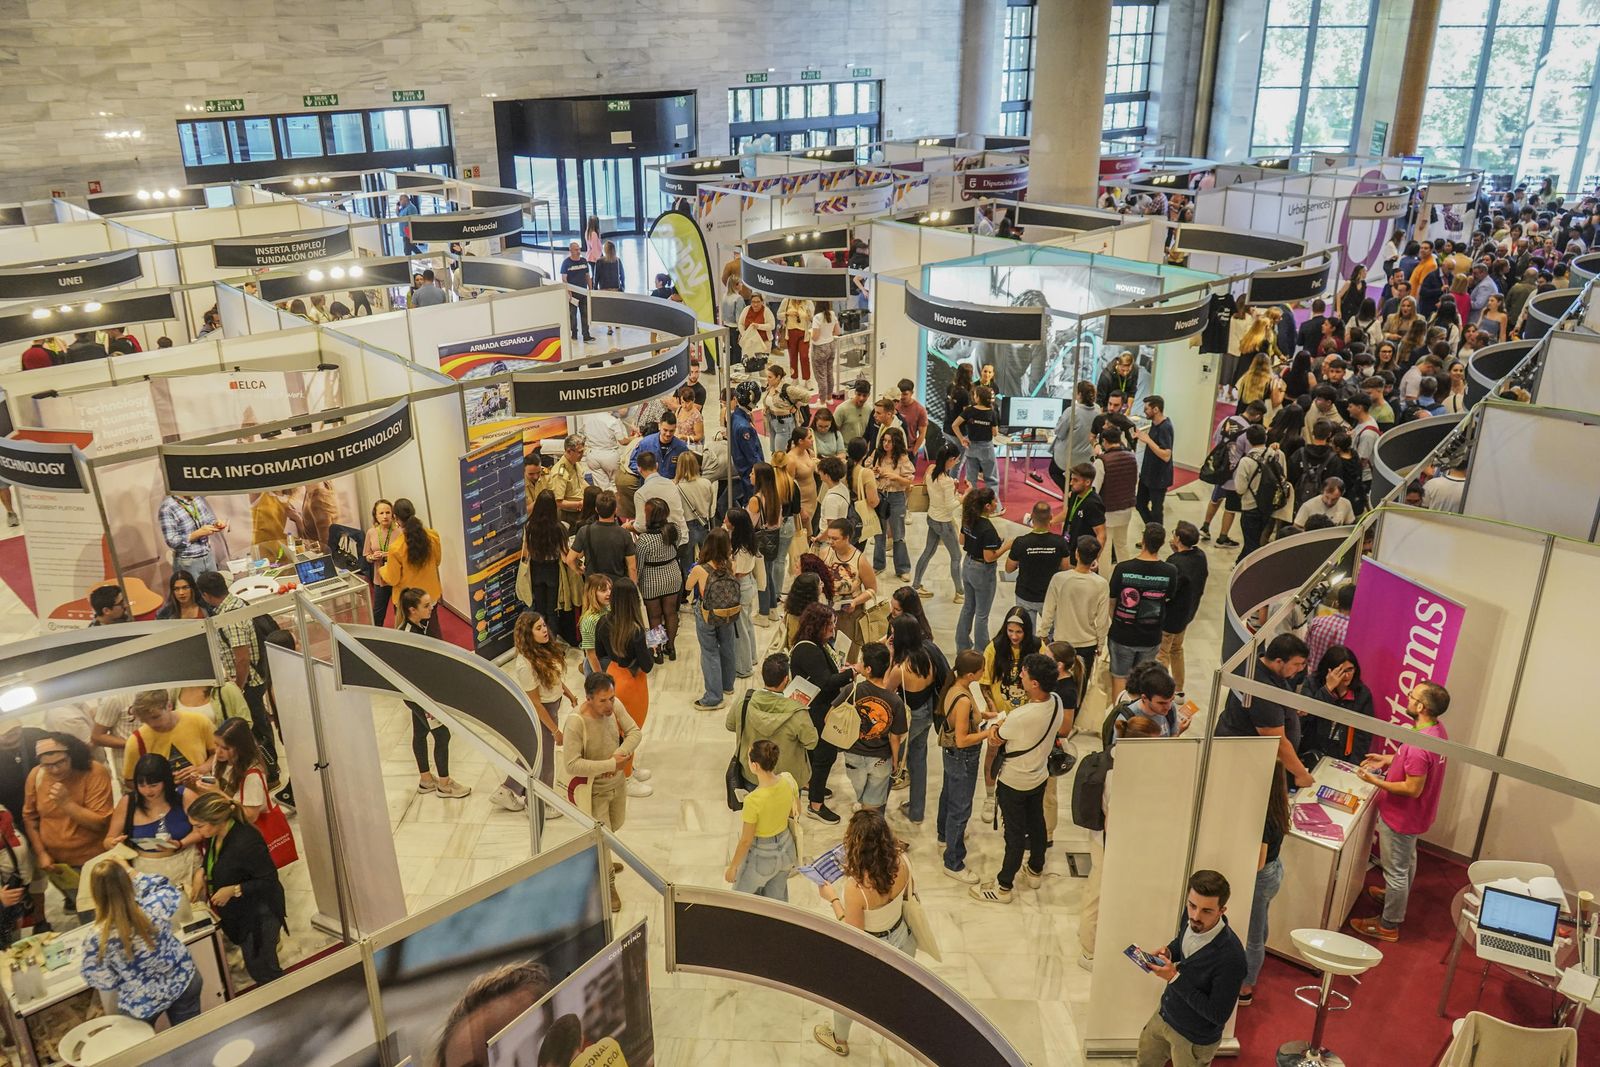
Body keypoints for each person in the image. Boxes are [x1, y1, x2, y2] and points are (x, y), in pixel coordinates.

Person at [1350, 681, 1451, 943]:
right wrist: (1388, 760)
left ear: (1421, 706)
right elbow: (1413, 765)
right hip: (1416, 816)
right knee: (1406, 862)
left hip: (1401, 817)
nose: (1407, 697)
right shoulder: (1436, 732)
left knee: (1395, 871)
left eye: (1412, 696)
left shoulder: (1419, 747)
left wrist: (1375, 781)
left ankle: (1388, 924)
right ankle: (1395, 898)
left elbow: (1412, 788)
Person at [813, 810, 917, 1058]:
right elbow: (907, 897)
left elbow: (854, 934)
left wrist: (833, 899)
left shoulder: (856, 888)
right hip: (902, 938)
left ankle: (839, 1039)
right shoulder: (902, 863)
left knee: (846, 995)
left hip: (874, 948)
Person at [970, 653, 1067, 904]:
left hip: (1014, 780)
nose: (1020, 675)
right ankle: (1035, 869)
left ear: (1035, 683)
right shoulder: (1056, 701)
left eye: (1024, 673)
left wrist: (996, 725)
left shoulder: (1021, 716)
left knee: (1013, 835)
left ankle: (1003, 886)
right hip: (1039, 775)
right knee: (1036, 823)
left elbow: (995, 739)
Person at [1132, 869, 1247, 1067]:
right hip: (1165, 1014)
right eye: (1192, 905)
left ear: (1222, 911)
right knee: (1145, 1060)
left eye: (1206, 911)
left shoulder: (1232, 958)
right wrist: (1169, 952)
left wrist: (1175, 979)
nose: (1195, 915)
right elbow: (1184, 943)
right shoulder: (1191, 916)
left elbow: (1218, 1014)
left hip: (1194, 1038)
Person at [79, 860, 203, 1027]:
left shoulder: (96, 938)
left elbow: (104, 981)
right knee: (192, 1036)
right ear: (128, 884)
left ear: (95, 894)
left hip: (141, 1001)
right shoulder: (156, 905)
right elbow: (166, 886)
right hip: (182, 980)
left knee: (145, 1048)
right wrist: (131, 871)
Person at [187, 792, 286, 984]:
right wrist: (202, 872)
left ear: (217, 820)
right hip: (241, 914)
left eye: (199, 826)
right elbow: (217, 860)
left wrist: (234, 890)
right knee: (255, 964)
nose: (196, 831)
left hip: (260, 916)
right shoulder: (216, 835)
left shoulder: (246, 841)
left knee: (262, 968)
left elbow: (269, 880)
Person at [563, 672, 641, 912]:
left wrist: (619, 757)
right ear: (588, 698)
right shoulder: (576, 722)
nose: (609, 705)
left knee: (615, 825)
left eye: (611, 698)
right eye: (603, 701)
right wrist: (609, 765)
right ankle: (607, 883)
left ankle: (601, 859)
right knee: (603, 836)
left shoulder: (615, 705)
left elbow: (634, 732)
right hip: (593, 790)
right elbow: (571, 764)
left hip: (617, 783)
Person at [23, 733, 114, 918]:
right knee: (85, 915)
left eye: (61, 762)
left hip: (93, 861)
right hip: (60, 865)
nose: (55, 770)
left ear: (72, 756)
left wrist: (66, 804)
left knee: (103, 914)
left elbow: (100, 823)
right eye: (48, 765)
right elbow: (30, 818)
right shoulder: (36, 775)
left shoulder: (94, 772)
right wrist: (41, 853)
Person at [394, 588, 470, 798]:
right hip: (418, 695)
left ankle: (426, 779)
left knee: (420, 733)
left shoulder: (419, 627)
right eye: (426, 606)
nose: (432, 608)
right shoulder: (409, 636)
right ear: (412, 610)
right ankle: (445, 784)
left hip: (418, 694)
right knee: (442, 734)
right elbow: (414, 671)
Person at [1215, 633, 1314, 787]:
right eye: (1297, 664)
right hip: (1242, 762)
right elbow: (1278, 742)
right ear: (1279, 661)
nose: (1301, 669)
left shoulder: (1260, 665)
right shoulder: (1262, 691)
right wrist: (1301, 774)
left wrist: (1291, 707)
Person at [935, 650, 997, 883]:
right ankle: (953, 861)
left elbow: (969, 715)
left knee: (948, 794)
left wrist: (985, 715)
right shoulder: (962, 698)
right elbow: (962, 739)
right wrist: (988, 732)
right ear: (971, 674)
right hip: (963, 756)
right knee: (960, 808)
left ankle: (944, 836)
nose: (984, 672)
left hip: (953, 756)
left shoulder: (958, 688)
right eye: (982, 669)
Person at [723, 737, 801, 902]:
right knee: (777, 903)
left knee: (741, 901)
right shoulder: (788, 779)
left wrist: (733, 867)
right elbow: (796, 811)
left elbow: (746, 840)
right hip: (787, 849)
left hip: (762, 855)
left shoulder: (753, 800)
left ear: (755, 765)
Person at [727, 653, 819, 786]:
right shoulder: (797, 712)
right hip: (788, 779)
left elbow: (730, 725)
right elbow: (811, 742)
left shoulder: (744, 700)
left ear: (763, 675)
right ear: (786, 679)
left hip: (752, 772)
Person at [1238, 765, 1289, 1007]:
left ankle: (1245, 987)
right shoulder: (1279, 804)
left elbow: (1257, 862)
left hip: (1260, 878)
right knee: (1260, 925)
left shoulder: (1263, 816)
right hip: (1274, 871)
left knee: (1253, 937)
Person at [1105, 523, 1177, 696]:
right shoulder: (1170, 571)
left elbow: (1112, 600)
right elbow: (1168, 597)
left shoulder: (1123, 568)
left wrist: (1117, 620)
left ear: (1143, 541)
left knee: (1119, 678)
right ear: (1161, 544)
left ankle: (1120, 716)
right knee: (1141, 681)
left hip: (1122, 633)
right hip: (1150, 636)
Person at [509, 612, 575, 796]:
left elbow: (553, 679)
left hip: (552, 708)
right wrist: (555, 731)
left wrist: (568, 694)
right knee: (546, 759)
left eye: (544, 625)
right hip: (542, 713)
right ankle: (544, 799)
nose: (545, 630)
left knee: (532, 753)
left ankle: (508, 790)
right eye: (538, 628)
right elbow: (536, 703)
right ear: (528, 634)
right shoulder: (525, 665)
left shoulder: (543, 650)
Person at [598, 576, 654, 797]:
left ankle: (630, 767)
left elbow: (600, 653)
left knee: (620, 730)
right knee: (631, 730)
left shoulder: (603, 623)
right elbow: (647, 665)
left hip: (614, 676)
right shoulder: (636, 630)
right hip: (633, 683)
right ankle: (626, 777)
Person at [840, 644, 907, 813]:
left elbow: (830, 717)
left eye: (861, 661)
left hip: (853, 753)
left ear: (868, 669)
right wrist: (896, 759)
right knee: (874, 805)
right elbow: (895, 737)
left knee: (860, 792)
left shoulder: (852, 690)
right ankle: (869, 825)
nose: (859, 663)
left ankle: (862, 816)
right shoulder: (895, 701)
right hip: (880, 758)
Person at [1040, 535, 1111, 679]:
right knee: (1081, 689)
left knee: (1057, 684)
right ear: (1096, 556)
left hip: (1061, 642)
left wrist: (1044, 634)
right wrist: (1101, 644)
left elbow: (1048, 610)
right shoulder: (1101, 584)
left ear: (1076, 553)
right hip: (1087, 643)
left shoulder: (1059, 579)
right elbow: (1103, 619)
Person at [687, 530, 740, 711]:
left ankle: (713, 697)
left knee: (709, 653)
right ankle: (728, 685)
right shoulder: (730, 564)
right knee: (727, 647)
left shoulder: (699, 569)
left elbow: (687, 587)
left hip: (707, 613)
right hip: (728, 612)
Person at [1301, 645, 1376, 765]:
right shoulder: (1312, 683)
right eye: (1341, 671)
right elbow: (1306, 718)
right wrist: (1327, 689)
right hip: (1310, 750)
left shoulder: (1362, 694)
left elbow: (1363, 737)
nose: (1346, 675)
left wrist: (1353, 765)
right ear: (1329, 670)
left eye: (1350, 670)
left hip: (1341, 755)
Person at [379, 499, 444, 635]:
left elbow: (393, 579)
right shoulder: (432, 536)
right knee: (433, 632)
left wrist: (382, 569)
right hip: (430, 595)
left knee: (409, 639)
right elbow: (437, 561)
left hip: (409, 602)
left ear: (396, 518)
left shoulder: (396, 548)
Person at [956, 488, 1009, 654]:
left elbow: (962, 540)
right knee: (982, 614)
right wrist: (1006, 546)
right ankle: (981, 650)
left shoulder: (969, 519)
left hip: (968, 564)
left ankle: (962, 645)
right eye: (994, 501)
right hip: (982, 571)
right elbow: (989, 557)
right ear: (987, 506)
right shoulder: (988, 529)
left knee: (968, 607)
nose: (996, 504)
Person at [1158, 521, 1207, 699]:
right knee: (1177, 650)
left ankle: (1161, 690)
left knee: (1162, 654)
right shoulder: (1200, 556)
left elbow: (1169, 590)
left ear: (1177, 538)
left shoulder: (1175, 563)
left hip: (1171, 617)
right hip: (1187, 613)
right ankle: (1179, 690)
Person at [818, 517, 878, 662]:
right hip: (826, 611)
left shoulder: (860, 560)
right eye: (829, 538)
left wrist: (855, 602)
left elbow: (872, 589)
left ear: (846, 538)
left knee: (846, 656)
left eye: (835, 539)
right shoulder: (825, 553)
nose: (831, 542)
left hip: (849, 616)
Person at [633, 497, 682, 663]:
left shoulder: (644, 541)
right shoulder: (675, 530)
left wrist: (636, 582)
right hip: (673, 576)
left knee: (654, 616)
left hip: (651, 580)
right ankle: (672, 647)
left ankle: (657, 650)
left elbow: (638, 566)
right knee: (671, 612)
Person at [1006, 501, 1073, 619]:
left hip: (1025, 595)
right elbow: (1065, 568)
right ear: (1051, 517)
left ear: (1031, 517)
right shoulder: (1060, 542)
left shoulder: (1020, 542)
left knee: (1026, 634)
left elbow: (1009, 568)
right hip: (1049, 595)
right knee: (1051, 634)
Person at [912, 445, 963, 600]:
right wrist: (962, 498)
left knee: (928, 552)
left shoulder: (931, 471)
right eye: (956, 460)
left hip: (932, 517)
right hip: (944, 523)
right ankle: (960, 593)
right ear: (950, 460)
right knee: (956, 556)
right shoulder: (946, 481)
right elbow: (950, 505)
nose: (957, 462)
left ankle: (916, 585)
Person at [1233, 425, 1286, 558]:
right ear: (1266, 437)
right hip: (1269, 505)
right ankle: (1239, 563)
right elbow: (1283, 477)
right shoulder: (1277, 454)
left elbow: (1240, 488)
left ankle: (1247, 570)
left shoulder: (1246, 461)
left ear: (1248, 440)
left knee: (1251, 543)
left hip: (1250, 506)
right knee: (1256, 540)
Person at [870, 426, 915, 581]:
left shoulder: (902, 458)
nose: (886, 444)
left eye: (889, 441)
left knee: (898, 534)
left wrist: (894, 477)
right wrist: (875, 472)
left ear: (896, 443)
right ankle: (878, 564)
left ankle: (902, 568)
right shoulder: (877, 454)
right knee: (879, 532)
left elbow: (909, 481)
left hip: (896, 497)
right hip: (880, 495)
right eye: (884, 440)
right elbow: (867, 470)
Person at [212, 718, 272, 825]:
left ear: (240, 747)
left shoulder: (252, 775)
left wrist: (217, 792)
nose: (218, 752)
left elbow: (251, 817)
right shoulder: (221, 761)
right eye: (216, 744)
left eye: (225, 748)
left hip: (251, 830)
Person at [568, 490, 636, 584]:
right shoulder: (624, 534)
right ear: (615, 509)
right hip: (616, 584)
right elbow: (632, 567)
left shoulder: (585, 531)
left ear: (596, 509)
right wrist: (633, 587)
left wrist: (580, 571)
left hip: (593, 584)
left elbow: (570, 559)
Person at [158, 493, 225, 580]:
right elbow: (172, 541)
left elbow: (209, 519)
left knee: (214, 590)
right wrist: (197, 534)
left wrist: (216, 524)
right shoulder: (167, 508)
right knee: (195, 592)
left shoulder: (197, 498)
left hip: (208, 556)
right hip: (188, 562)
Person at [1133, 395, 1175, 528]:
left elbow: (1166, 455)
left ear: (1156, 409)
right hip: (1147, 474)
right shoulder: (1155, 424)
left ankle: (1155, 534)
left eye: (1147, 409)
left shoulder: (1165, 427)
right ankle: (1152, 530)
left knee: (1157, 510)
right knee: (1140, 504)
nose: (1144, 411)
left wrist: (1148, 440)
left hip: (1159, 477)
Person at [952, 384, 1000, 493]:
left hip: (971, 447)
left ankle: (972, 505)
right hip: (986, 449)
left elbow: (954, 425)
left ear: (977, 397)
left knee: (970, 480)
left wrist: (962, 439)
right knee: (991, 479)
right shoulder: (991, 412)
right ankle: (993, 506)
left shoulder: (969, 410)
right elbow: (995, 433)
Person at [361, 498, 397, 625]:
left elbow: (405, 555)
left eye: (388, 512)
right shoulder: (371, 532)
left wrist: (387, 554)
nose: (385, 516)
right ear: (375, 516)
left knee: (400, 612)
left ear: (392, 514)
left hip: (398, 579)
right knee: (378, 613)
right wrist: (372, 557)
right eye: (381, 513)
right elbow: (366, 555)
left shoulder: (399, 532)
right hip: (380, 578)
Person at [561, 241, 595, 342]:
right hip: (573, 294)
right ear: (570, 250)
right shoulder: (566, 263)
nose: (578, 251)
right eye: (576, 249)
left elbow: (587, 276)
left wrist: (590, 288)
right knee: (573, 315)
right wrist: (568, 291)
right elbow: (564, 278)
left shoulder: (584, 261)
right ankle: (574, 333)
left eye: (579, 249)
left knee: (585, 314)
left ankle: (586, 335)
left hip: (583, 293)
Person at [811, 304, 842, 400]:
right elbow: (837, 331)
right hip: (831, 345)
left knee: (821, 375)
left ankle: (822, 401)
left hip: (820, 347)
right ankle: (829, 398)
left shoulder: (817, 317)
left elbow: (815, 337)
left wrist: (810, 333)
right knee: (829, 373)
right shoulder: (832, 314)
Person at [593, 241, 625, 334]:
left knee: (607, 309)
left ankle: (609, 328)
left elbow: (596, 276)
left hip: (604, 288)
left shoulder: (599, 261)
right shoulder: (617, 261)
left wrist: (595, 288)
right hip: (615, 288)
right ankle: (617, 323)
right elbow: (622, 275)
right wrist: (623, 286)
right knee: (616, 307)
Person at [739, 293, 776, 363]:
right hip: (749, 343)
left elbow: (772, 325)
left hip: (764, 343)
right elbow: (740, 324)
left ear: (762, 302)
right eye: (753, 302)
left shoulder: (766, 311)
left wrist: (759, 326)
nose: (755, 304)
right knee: (748, 364)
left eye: (758, 302)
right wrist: (745, 334)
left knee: (762, 367)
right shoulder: (746, 310)